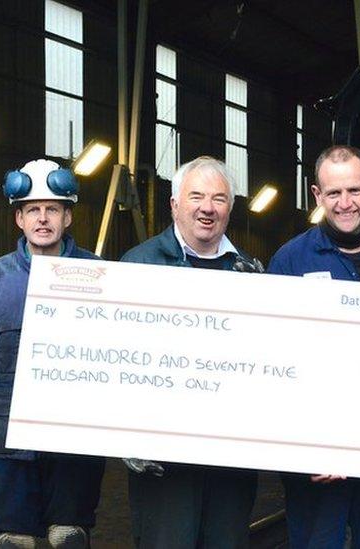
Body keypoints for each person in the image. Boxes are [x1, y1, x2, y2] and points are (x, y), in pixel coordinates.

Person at [267, 144, 360, 548]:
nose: (345, 203)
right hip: (318, 460)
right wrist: (305, 449)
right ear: (317, 196)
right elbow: (272, 364)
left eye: (354, 190)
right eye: (333, 193)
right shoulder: (289, 262)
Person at [120, 155, 262, 548]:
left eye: (219, 199)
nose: (207, 208)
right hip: (163, 464)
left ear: (230, 209)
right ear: (174, 204)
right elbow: (118, 357)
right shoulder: (137, 266)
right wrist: (124, 433)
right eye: (196, 196)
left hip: (229, 463)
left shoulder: (251, 274)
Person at [0, 159, 106, 549]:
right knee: (13, 541)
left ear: (68, 216)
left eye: (53, 209)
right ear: (19, 218)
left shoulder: (101, 276)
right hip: (8, 438)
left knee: (69, 538)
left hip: (74, 437)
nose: (43, 218)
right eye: (33, 209)